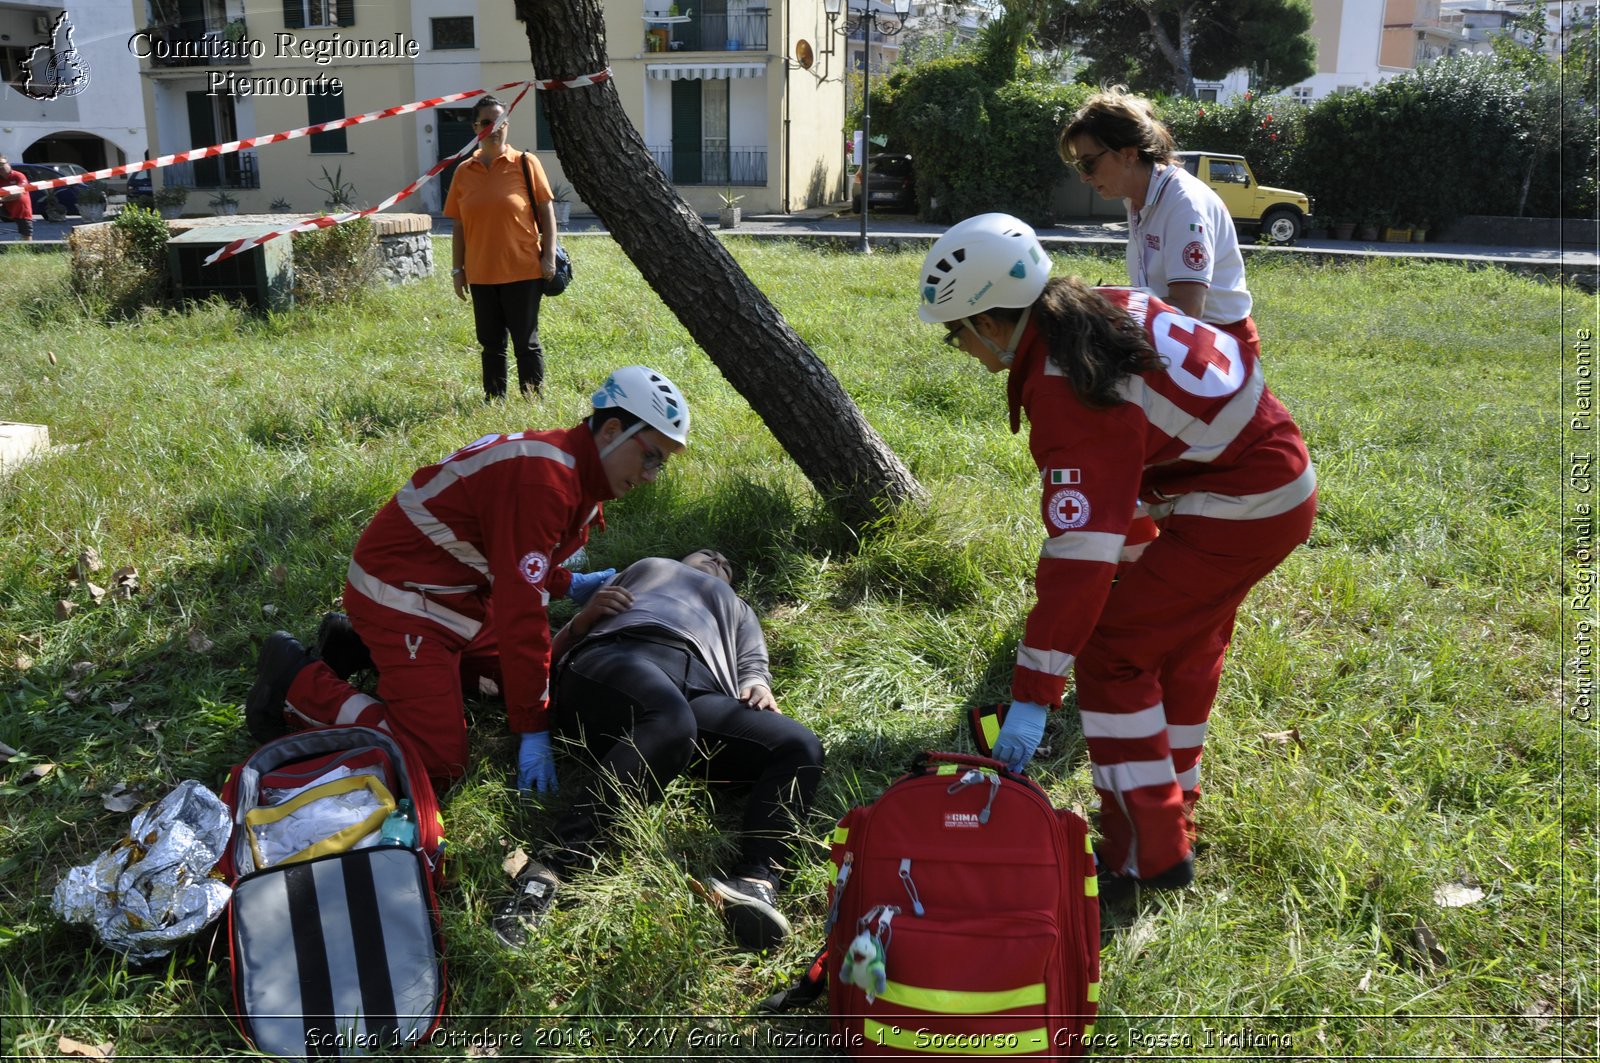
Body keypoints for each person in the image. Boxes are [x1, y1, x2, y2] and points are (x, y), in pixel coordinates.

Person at [918, 213, 1316, 899]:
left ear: (988, 321)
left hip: (1236, 500)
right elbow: (1126, 481)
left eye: (958, 336)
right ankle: (1174, 804)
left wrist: (1035, 689)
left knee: (1113, 653)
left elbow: (1080, 552)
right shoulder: (1093, 307)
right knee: (1183, 641)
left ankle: (1144, 852)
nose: (965, 352)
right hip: (1264, 475)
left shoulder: (1063, 379)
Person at [244, 365, 691, 789]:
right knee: (436, 763)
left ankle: (358, 644)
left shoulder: (576, 475)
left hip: (450, 593)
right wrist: (531, 729)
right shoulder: (548, 483)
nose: (651, 476)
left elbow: (511, 558)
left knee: (513, 680)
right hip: (405, 597)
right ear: (611, 431)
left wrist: (567, 584)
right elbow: (520, 613)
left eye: (661, 464)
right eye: (650, 456)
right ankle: (298, 682)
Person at [494, 549, 825, 953]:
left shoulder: (739, 608)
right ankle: (551, 868)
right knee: (671, 721)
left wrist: (758, 683)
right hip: (620, 656)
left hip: (702, 688)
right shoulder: (650, 567)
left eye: (726, 564)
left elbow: (754, 663)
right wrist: (582, 620)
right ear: (682, 556)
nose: (719, 559)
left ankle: (755, 883)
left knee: (799, 744)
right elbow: (555, 654)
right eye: (707, 554)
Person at [1060, 88, 1256, 346]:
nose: (1084, 176)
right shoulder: (1139, 197)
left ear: (1129, 154)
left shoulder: (1184, 205)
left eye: (1088, 163)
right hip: (1179, 335)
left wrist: (1108, 313)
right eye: (1079, 167)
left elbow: (1188, 310)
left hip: (1218, 342)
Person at [444, 94, 559, 401]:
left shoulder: (525, 163)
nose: (493, 128)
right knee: (491, 343)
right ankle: (495, 400)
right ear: (474, 127)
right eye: (486, 122)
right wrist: (458, 270)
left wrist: (548, 256)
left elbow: (547, 211)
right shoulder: (463, 172)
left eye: (498, 122)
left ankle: (533, 400)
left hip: (523, 270)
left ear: (506, 124)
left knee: (526, 342)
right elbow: (458, 225)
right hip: (481, 274)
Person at [0, 156, 35, 242]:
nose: (1, 168)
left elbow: (18, 193)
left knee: (26, 234)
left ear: (8, 164)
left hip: (22, 210)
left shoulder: (18, 175)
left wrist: (1, 199)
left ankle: (27, 251)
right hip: (6, 209)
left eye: (2, 164)